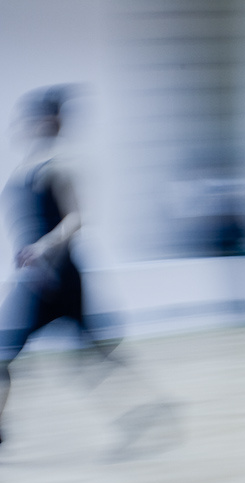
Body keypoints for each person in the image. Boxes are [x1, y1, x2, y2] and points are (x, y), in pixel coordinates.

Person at [0, 85, 175, 451]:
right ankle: (153, 406)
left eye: (39, 118)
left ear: (52, 121)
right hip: (37, 278)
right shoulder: (27, 166)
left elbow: (76, 218)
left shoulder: (59, 165)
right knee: (90, 357)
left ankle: (153, 407)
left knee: (78, 357)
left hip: (58, 277)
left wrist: (42, 246)